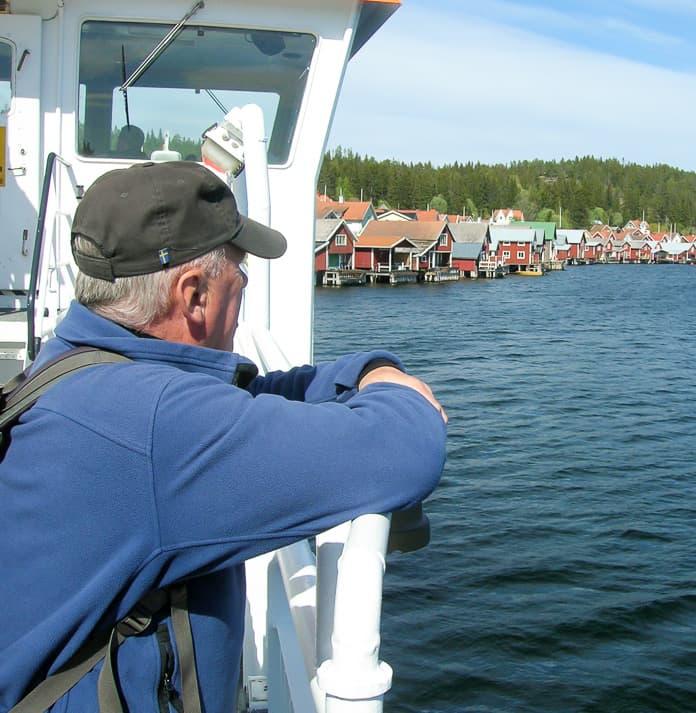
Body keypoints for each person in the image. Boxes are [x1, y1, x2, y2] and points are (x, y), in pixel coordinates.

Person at [0, 161, 447, 713]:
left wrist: (369, 369)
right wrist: (399, 390)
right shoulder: (155, 426)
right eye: (240, 284)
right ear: (193, 296)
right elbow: (404, 451)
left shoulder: (79, 368)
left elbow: (252, 396)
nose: (240, 311)